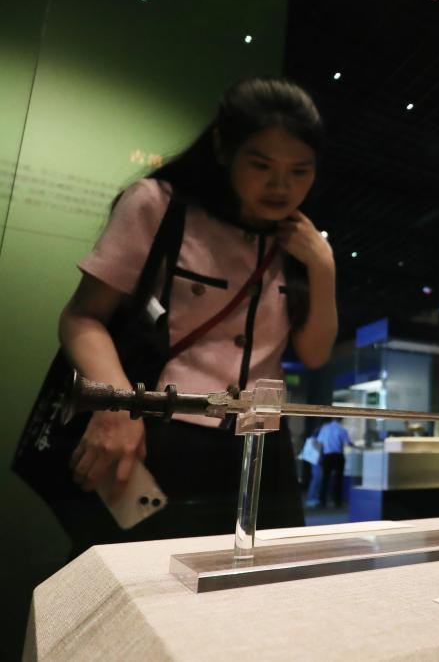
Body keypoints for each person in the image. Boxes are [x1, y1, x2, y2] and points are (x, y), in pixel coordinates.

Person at [60, 77, 338, 553]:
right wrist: (119, 405)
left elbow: (314, 354)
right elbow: (81, 317)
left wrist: (324, 267)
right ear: (223, 149)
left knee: (264, 587)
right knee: (144, 578)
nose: (281, 186)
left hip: (262, 447)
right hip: (160, 433)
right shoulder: (159, 205)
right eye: (261, 164)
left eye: (300, 171)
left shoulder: (300, 242)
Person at [315, 419, 350, 507]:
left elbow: (320, 443)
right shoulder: (341, 429)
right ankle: (337, 501)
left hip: (327, 456)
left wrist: (319, 455)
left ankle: (322, 501)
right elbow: (347, 442)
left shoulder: (325, 428)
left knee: (325, 479)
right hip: (338, 456)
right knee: (338, 479)